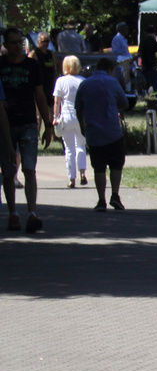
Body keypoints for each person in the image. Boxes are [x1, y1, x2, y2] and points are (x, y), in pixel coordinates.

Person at [1, 27, 53, 232]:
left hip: (28, 123)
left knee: (29, 169)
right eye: (13, 43)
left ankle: (32, 213)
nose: (18, 46)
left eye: (20, 42)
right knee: (8, 171)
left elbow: (40, 95)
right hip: (5, 124)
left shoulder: (32, 65)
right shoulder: (1, 64)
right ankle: (13, 213)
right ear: (5, 45)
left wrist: (48, 126)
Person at [74, 57, 128, 211]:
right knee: (116, 164)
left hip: (93, 131)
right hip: (112, 130)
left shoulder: (85, 84)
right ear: (109, 69)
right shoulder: (112, 82)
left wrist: (82, 125)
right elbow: (124, 102)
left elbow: (78, 108)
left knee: (99, 167)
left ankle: (101, 200)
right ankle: (115, 195)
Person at [52, 54, 88, 188]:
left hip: (66, 116)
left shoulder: (60, 81)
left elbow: (57, 101)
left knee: (69, 149)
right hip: (80, 116)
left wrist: (55, 117)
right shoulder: (83, 80)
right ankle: (83, 173)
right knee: (81, 145)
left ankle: (71, 178)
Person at [137, 31, 157, 96]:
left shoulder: (143, 42)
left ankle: (145, 98)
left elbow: (139, 54)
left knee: (145, 86)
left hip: (147, 68)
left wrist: (132, 60)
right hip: (156, 68)